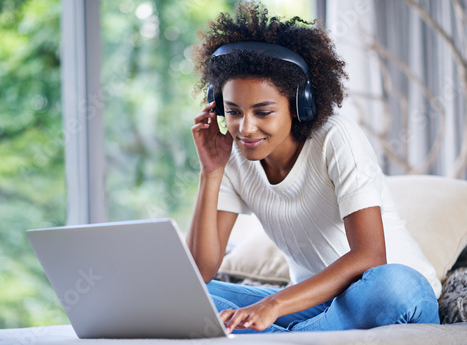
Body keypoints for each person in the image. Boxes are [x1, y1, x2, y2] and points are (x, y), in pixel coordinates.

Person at [187, 0, 440, 334]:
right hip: (310, 305)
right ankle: (298, 336)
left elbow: (370, 256)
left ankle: (279, 336)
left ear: (299, 106)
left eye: (263, 112)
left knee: (396, 282)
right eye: (233, 111)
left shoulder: (336, 137)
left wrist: (273, 305)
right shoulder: (232, 155)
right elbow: (198, 272)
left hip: (385, 294)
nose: (245, 128)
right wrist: (211, 172)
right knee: (186, 294)